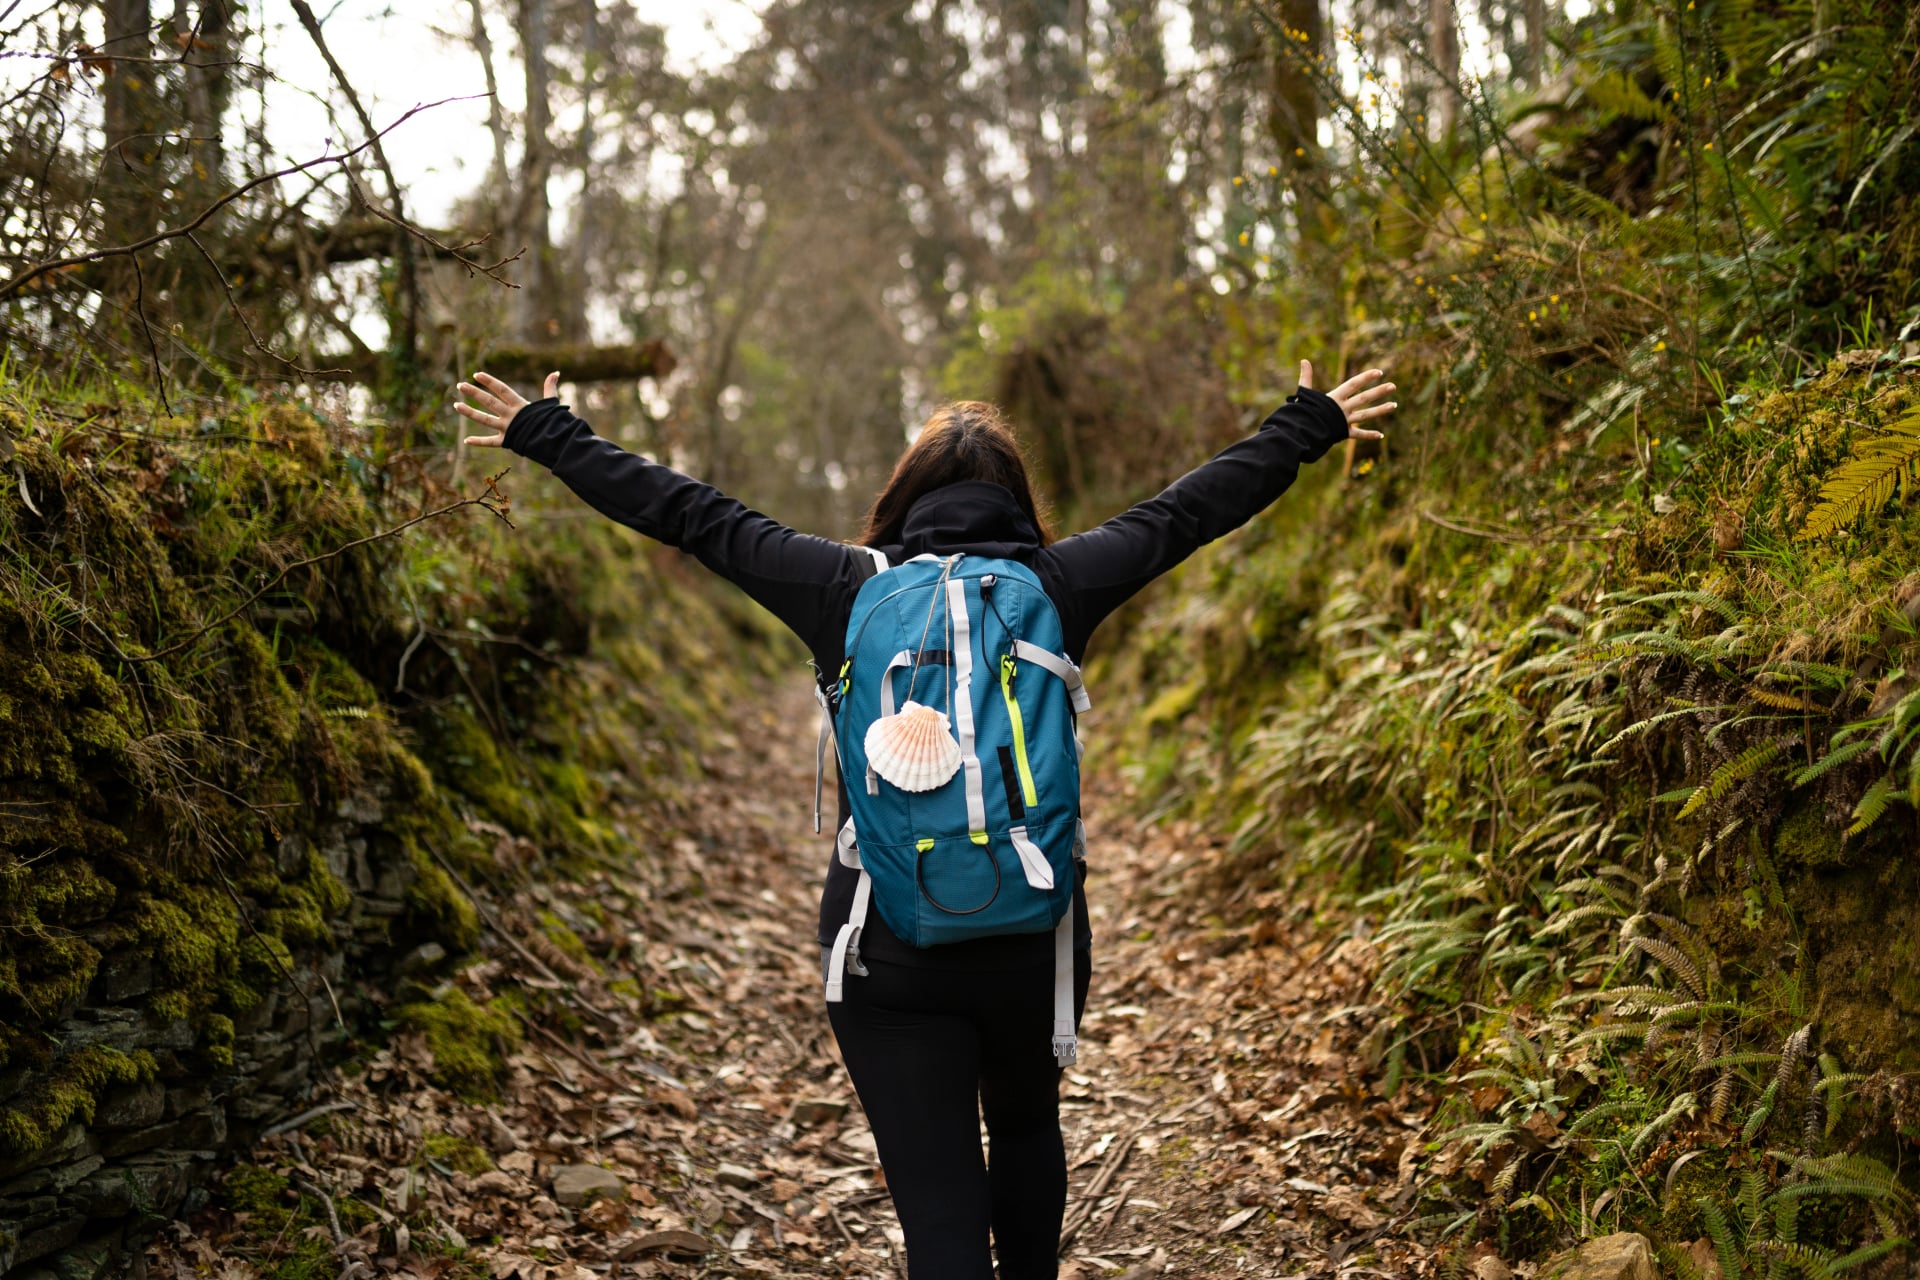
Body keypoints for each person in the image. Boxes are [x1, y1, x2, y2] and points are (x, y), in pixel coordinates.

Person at [455, 364, 1395, 1279]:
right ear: (1019, 504)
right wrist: (1306, 424)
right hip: (1034, 932)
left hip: (885, 948)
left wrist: (550, 435)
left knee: (941, 1221)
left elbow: (696, 516)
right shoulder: (1062, 585)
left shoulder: (843, 586)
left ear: (900, 501)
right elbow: (1188, 512)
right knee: (1027, 1126)